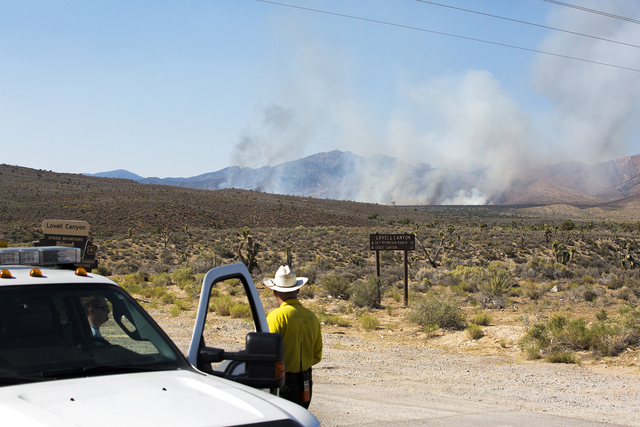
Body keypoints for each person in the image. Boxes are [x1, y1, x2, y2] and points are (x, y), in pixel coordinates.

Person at [264, 265, 322, 409]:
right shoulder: (312, 317)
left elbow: (265, 354)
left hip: (282, 383)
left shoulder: (275, 317)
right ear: (297, 290)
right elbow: (317, 355)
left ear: (274, 292)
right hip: (305, 381)